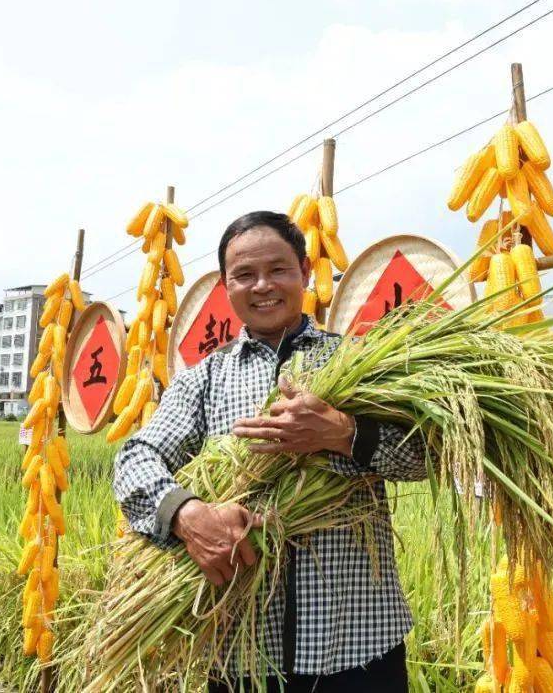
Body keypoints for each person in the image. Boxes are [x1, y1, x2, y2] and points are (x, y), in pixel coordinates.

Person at [113, 211, 428, 692]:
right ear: (226, 286)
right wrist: (187, 513)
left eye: (278, 270)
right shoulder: (205, 379)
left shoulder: (361, 364)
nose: (263, 286)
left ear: (304, 272)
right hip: (242, 651)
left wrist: (343, 434)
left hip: (359, 646)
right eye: (244, 275)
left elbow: (424, 457)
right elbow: (134, 459)